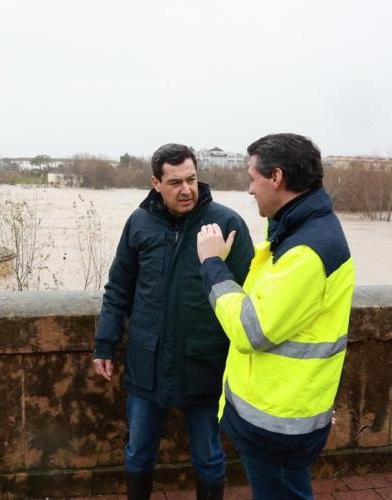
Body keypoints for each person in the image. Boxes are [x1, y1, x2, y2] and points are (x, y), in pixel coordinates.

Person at [196, 133, 355, 499]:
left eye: (252, 178)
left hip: (279, 422)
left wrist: (212, 265)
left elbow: (249, 329)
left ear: (276, 177)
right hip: (280, 412)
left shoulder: (308, 249)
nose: (249, 189)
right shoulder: (298, 230)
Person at [93, 144, 253, 500]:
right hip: (147, 360)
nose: (186, 189)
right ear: (156, 183)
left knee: (209, 457)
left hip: (204, 360)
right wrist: (104, 344)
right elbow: (119, 288)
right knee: (138, 452)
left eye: (191, 180)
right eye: (175, 182)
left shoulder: (226, 224)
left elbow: (251, 296)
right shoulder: (139, 223)